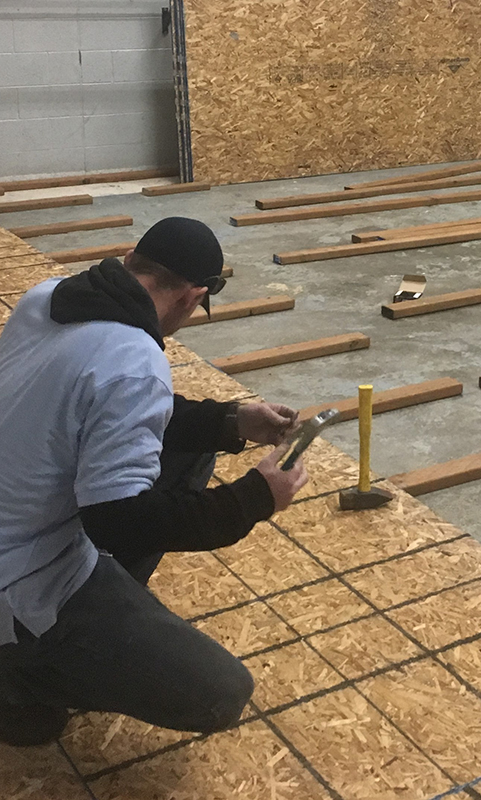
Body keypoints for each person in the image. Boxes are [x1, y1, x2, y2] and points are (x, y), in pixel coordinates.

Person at [0, 217, 308, 747]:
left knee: (190, 454)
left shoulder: (46, 298)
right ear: (193, 296)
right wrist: (255, 497)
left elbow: (105, 405)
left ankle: (94, 625)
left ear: (128, 261)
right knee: (219, 691)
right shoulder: (136, 359)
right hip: (17, 581)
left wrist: (230, 421)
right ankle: (20, 675)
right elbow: (119, 521)